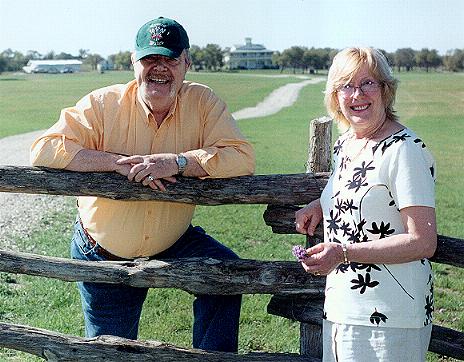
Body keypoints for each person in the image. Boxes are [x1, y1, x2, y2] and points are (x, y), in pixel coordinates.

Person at [30, 17, 255, 353]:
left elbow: (242, 157)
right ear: (133, 63)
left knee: (227, 278)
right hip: (105, 250)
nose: (159, 68)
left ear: (186, 64)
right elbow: (43, 148)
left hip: (173, 239)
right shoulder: (103, 104)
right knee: (112, 351)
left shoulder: (203, 102)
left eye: (169, 59)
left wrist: (178, 162)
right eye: (150, 59)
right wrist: (118, 163)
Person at [295, 47, 436, 361]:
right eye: (346, 86)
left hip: (391, 316)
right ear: (335, 96)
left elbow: (423, 242)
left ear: (386, 90)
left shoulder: (404, 150)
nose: (356, 94)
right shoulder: (346, 142)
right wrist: (321, 206)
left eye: (367, 83)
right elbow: (358, 191)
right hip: (343, 307)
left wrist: (343, 252)